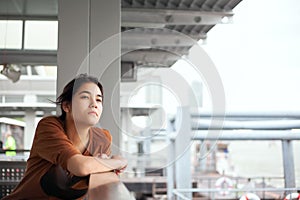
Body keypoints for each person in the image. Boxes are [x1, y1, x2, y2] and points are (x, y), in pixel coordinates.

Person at [2, 74, 127, 200]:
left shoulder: (102, 139)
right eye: (85, 97)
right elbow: (80, 167)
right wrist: (120, 161)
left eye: (98, 99)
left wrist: (108, 162)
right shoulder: (49, 126)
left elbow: (102, 176)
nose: (94, 104)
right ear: (67, 106)